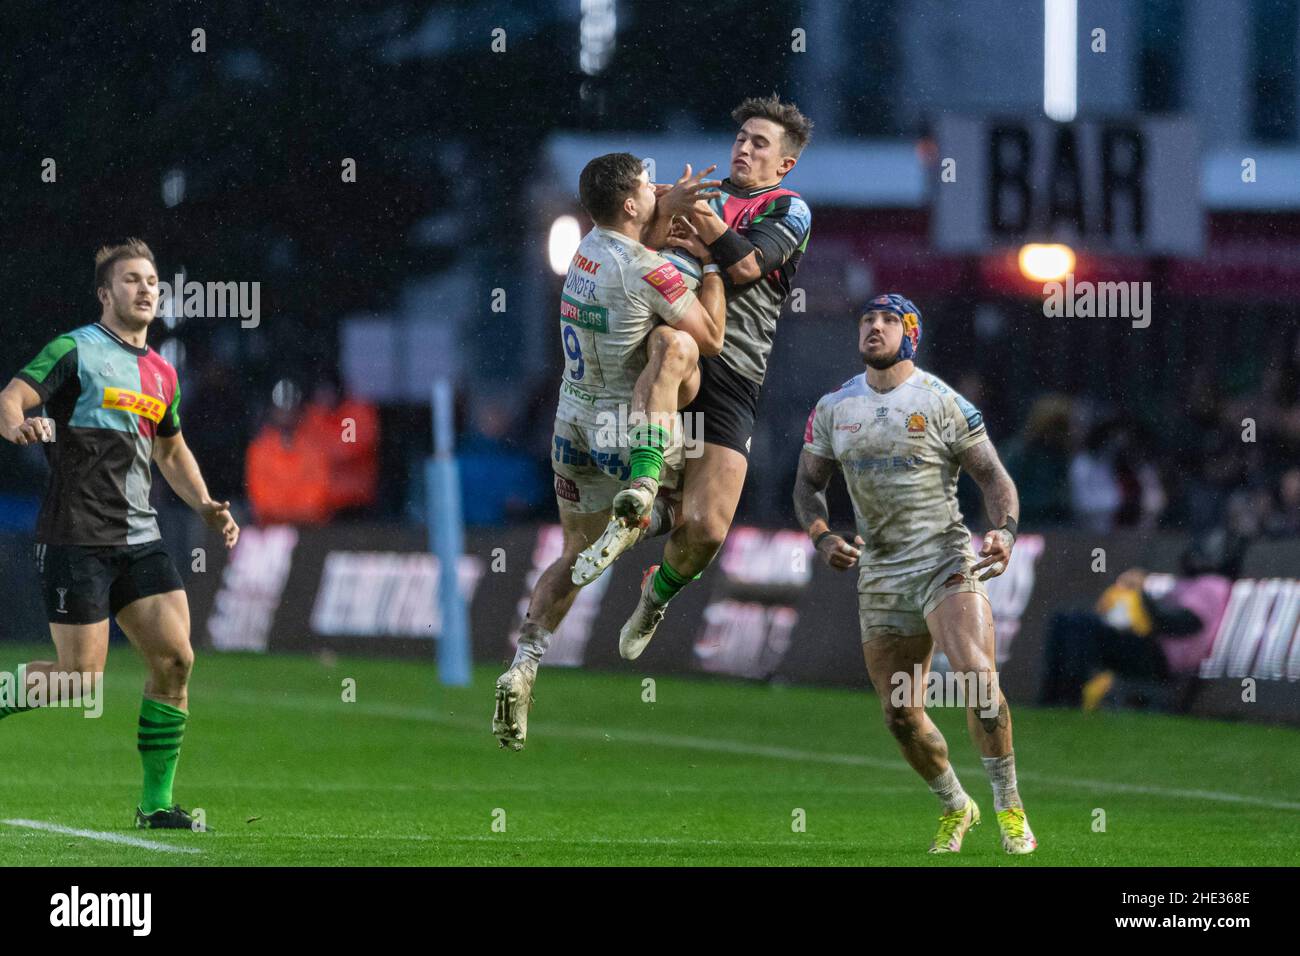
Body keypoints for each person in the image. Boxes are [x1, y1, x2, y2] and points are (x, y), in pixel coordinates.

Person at [0, 239, 239, 830]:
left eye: (152, 281)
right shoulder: (75, 350)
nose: (146, 289)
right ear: (106, 293)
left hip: (139, 537)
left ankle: (156, 805)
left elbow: (171, 449)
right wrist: (16, 426)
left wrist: (206, 503)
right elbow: (13, 396)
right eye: (131, 280)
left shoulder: (162, 372)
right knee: (79, 680)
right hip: (74, 535)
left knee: (177, 659)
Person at [492, 153, 726, 750]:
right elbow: (714, 336)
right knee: (680, 358)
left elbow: (632, 251)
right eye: (649, 188)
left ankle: (525, 662)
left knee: (573, 550)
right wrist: (712, 264)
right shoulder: (652, 269)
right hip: (627, 428)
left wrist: (662, 211)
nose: (658, 192)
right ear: (629, 204)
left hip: (571, 428)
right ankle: (644, 502)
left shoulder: (584, 252)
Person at [792, 294, 1036, 855]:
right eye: (866, 321)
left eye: (887, 321)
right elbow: (808, 485)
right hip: (880, 572)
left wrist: (1005, 531)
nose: (873, 328)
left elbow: (995, 479)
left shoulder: (943, 402)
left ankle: (1009, 806)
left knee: (976, 677)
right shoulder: (834, 408)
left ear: (911, 335)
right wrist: (823, 536)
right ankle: (957, 805)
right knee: (900, 715)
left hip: (944, 560)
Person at [607, 95, 816, 661]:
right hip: (682, 346)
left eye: (759, 143)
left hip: (738, 370)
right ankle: (643, 484)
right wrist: (664, 220)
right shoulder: (700, 194)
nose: (744, 148)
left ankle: (656, 594)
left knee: (706, 529)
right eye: (741, 137)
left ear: (784, 164)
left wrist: (698, 223)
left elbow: (748, 266)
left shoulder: (790, 208)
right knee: (672, 346)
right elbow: (637, 252)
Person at [1039, 529, 1241, 711]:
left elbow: (1181, 625)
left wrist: (1142, 594)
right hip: (1149, 648)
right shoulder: (1189, 582)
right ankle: (1053, 697)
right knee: (1066, 620)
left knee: (1084, 627)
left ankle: (1069, 699)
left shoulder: (1214, 585)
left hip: (1161, 661)